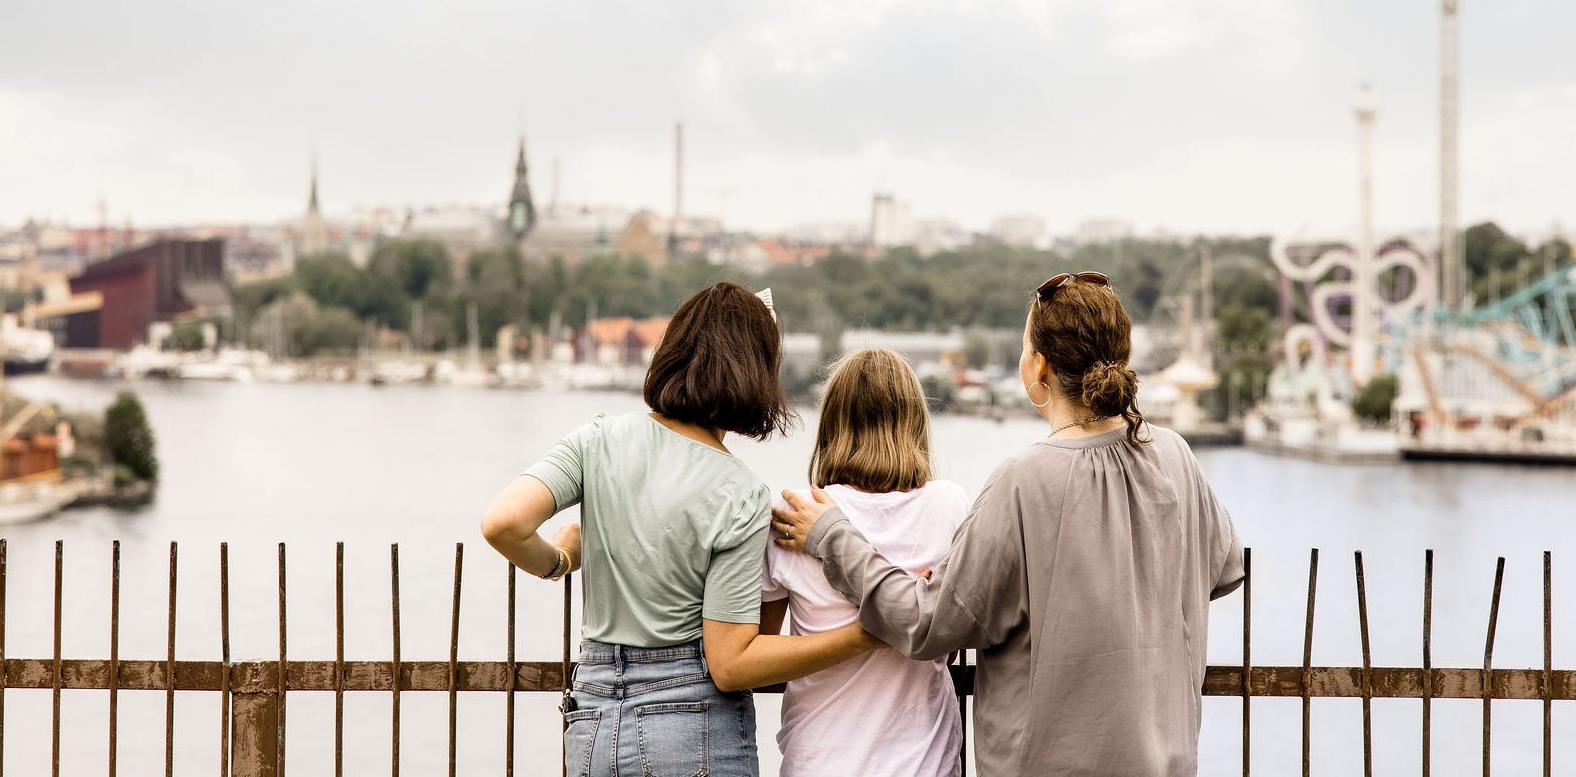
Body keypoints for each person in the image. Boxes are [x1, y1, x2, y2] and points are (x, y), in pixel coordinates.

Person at [771, 272, 1245, 777]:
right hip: (1166, 760)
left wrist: (831, 536)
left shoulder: (1024, 481)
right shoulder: (1173, 454)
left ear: (1037, 366)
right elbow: (1225, 568)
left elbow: (928, 625)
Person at [481, 282, 882, 777]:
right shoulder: (740, 491)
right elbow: (732, 664)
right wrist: (862, 636)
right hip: (690, 726)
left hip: (592, 718)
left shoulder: (597, 440)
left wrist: (558, 560)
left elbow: (502, 523)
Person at [760, 348, 970, 777]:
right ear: (914, 423)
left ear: (832, 423)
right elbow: (946, 641)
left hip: (819, 759)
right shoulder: (949, 506)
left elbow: (760, 666)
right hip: (924, 761)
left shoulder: (796, 515)